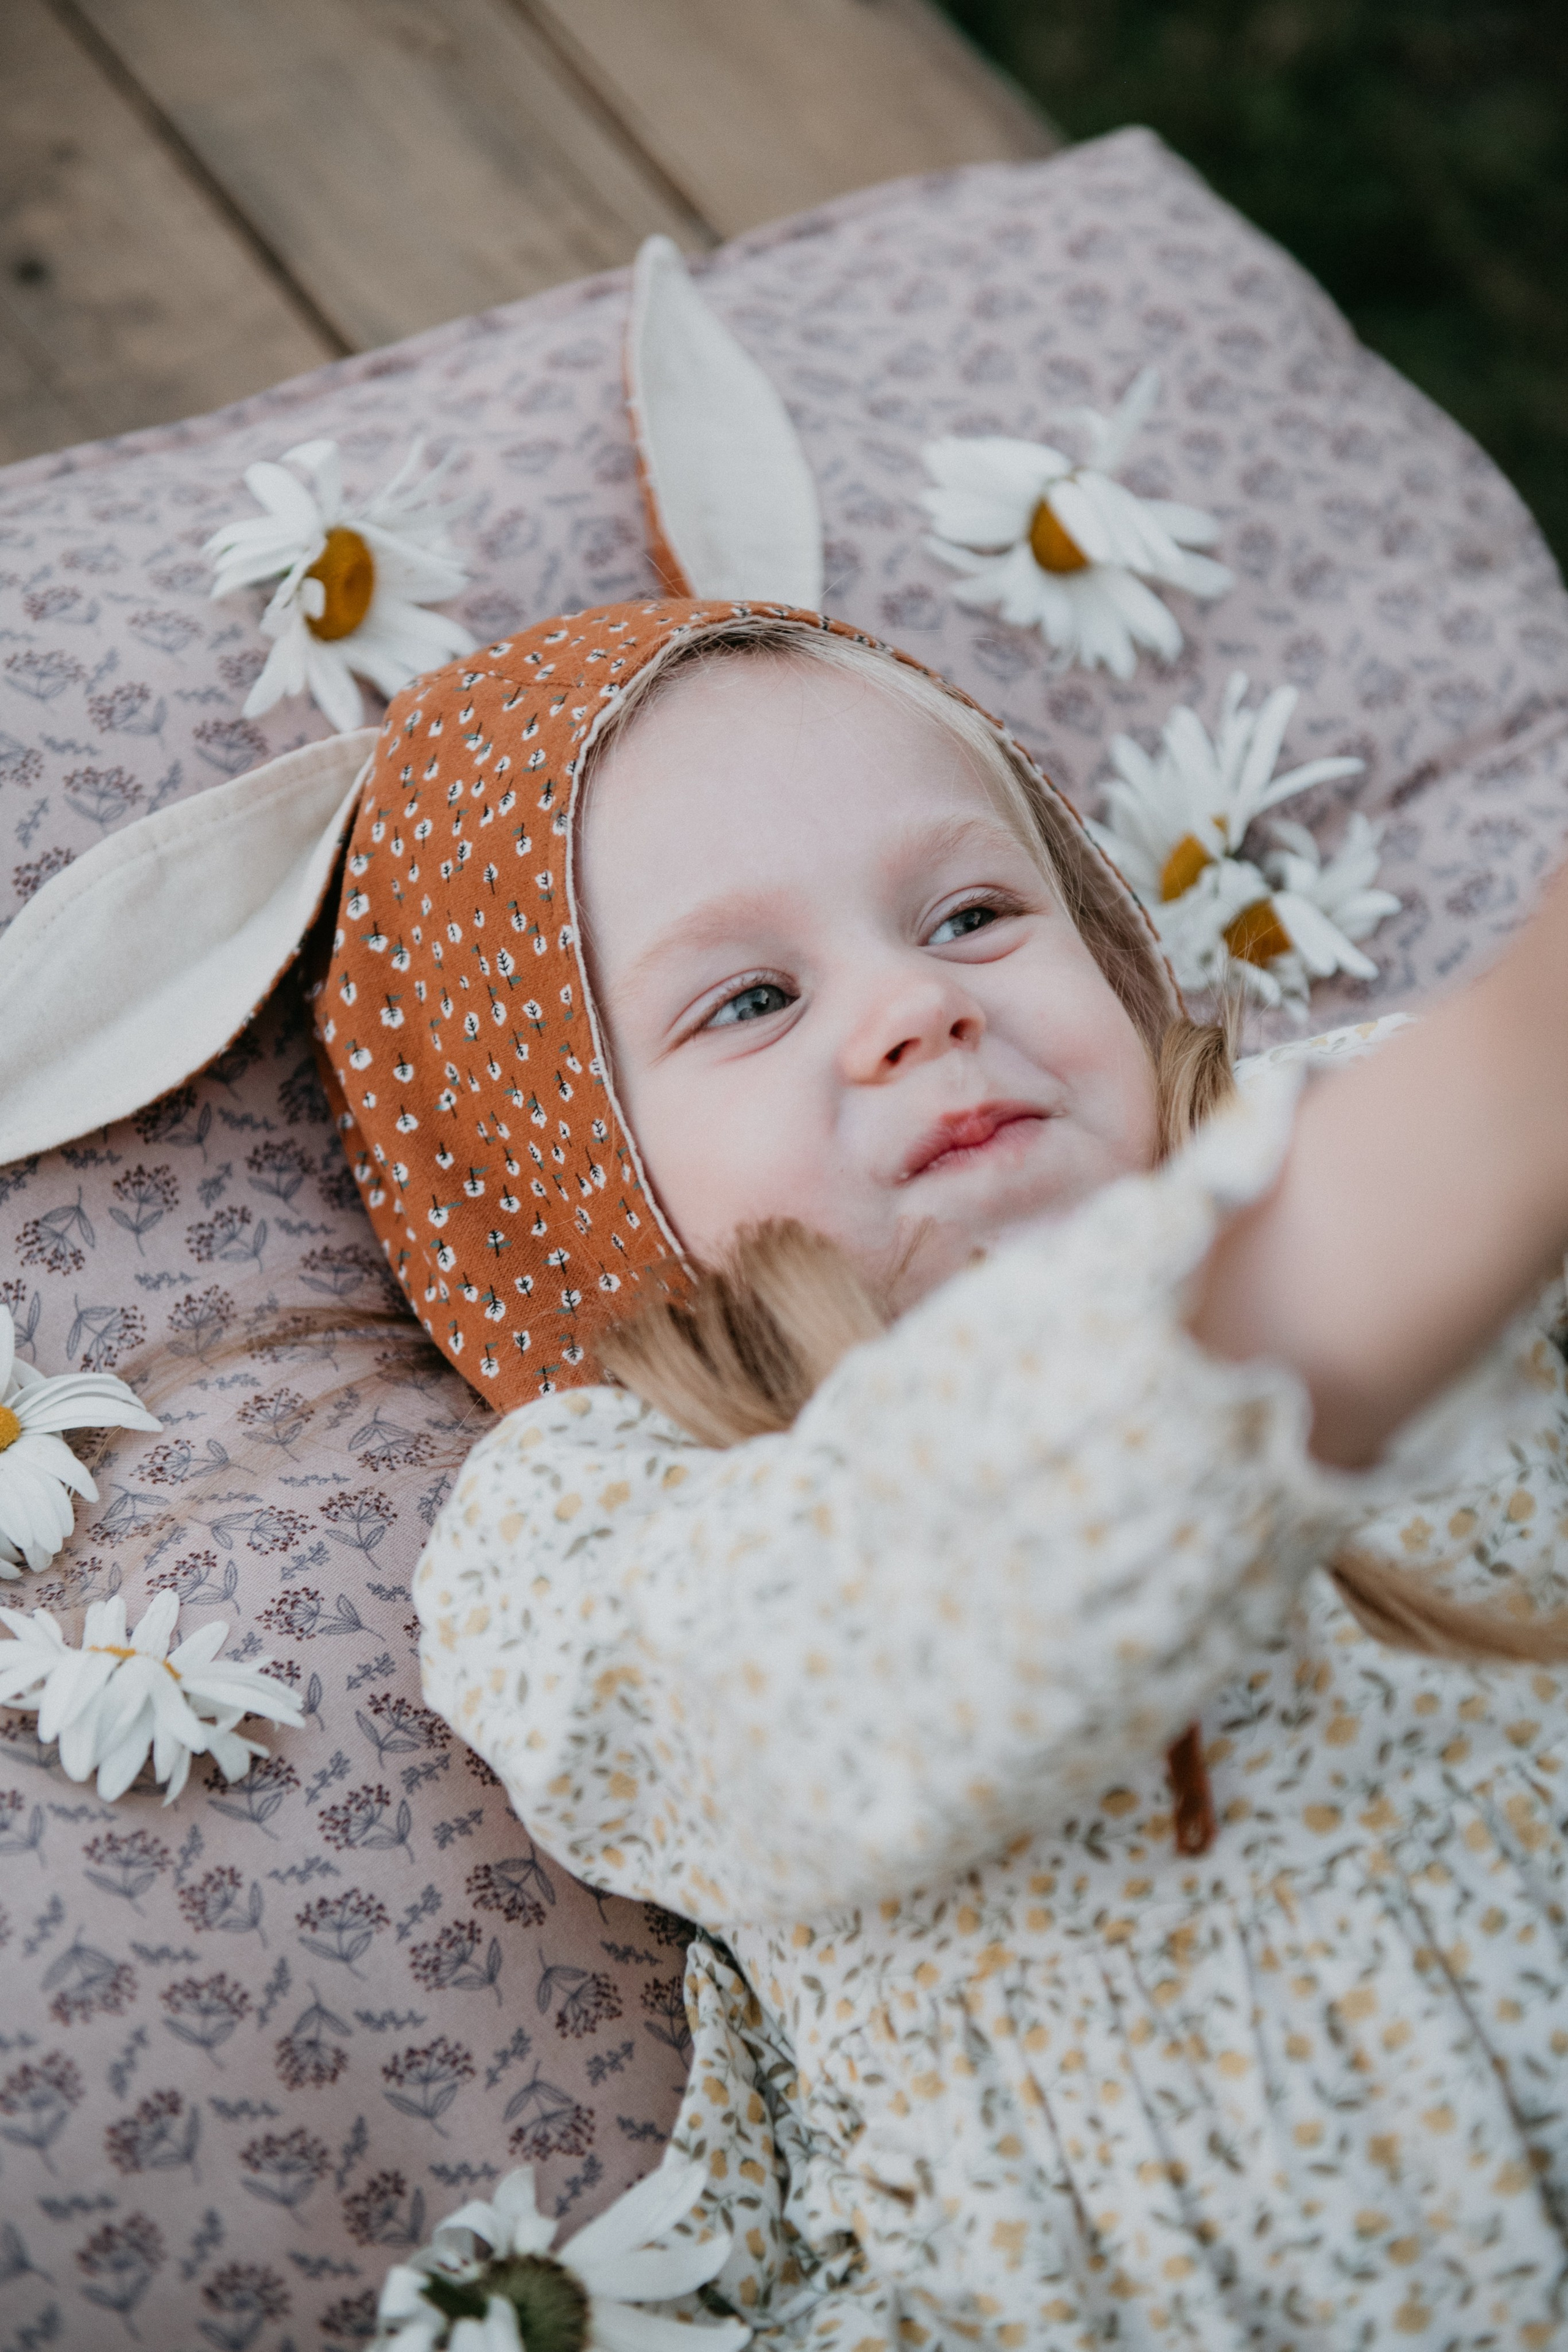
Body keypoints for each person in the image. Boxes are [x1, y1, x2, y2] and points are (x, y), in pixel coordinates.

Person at [327, 601, 1568, 2346]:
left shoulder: (1366, 1123)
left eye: (974, 915)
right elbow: (819, 1689)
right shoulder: (587, 1522)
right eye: (753, 999)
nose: (920, 1005)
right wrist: (1317, 1281)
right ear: (575, 1162)